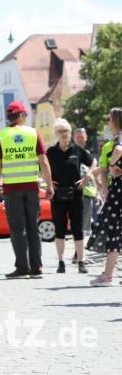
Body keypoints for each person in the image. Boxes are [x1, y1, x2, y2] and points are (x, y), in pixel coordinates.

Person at [0, 101, 53, 279]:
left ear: (9, 117)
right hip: (32, 188)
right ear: (22, 116)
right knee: (33, 227)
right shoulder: (33, 134)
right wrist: (49, 186)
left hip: (11, 189)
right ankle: (37, 267)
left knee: (18, 230)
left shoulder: (1, 136)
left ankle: (22, 267)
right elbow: (44, 162)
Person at [45, 119, 92, 274]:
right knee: (60, 230)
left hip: (76, 195)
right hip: (58, 197)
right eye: (60, 131)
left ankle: (81, 261)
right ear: (56, 134)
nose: (64, 134)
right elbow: (40, 166)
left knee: (77, 229)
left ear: (70, 133)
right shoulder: (51, 152)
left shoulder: (77, 150)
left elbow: (94, 162)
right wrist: (48, 181)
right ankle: (61, 262)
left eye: (66, 131)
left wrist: (87, 177)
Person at [87, 108, 122, 286]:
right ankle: (107, 274)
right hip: (118, 189)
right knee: (116, 232)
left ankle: (107, 276)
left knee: (114, 231)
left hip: (119, 191)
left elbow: (118, 149)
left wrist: (111, 163)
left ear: (115, 121)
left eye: (109, 119)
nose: (108, 122)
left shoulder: (119, 138)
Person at [72, 127, 98, 245]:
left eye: (82, 137)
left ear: (86, 138)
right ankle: (79, 253)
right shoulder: (72, 153)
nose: (80, 139)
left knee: (85, 226)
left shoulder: (87, 154)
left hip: (89, 193)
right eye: (78, 137)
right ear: (74, 139)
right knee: (80, 225)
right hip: (78, 192)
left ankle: (80, 252)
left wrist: (98, 192)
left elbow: (92, 175)